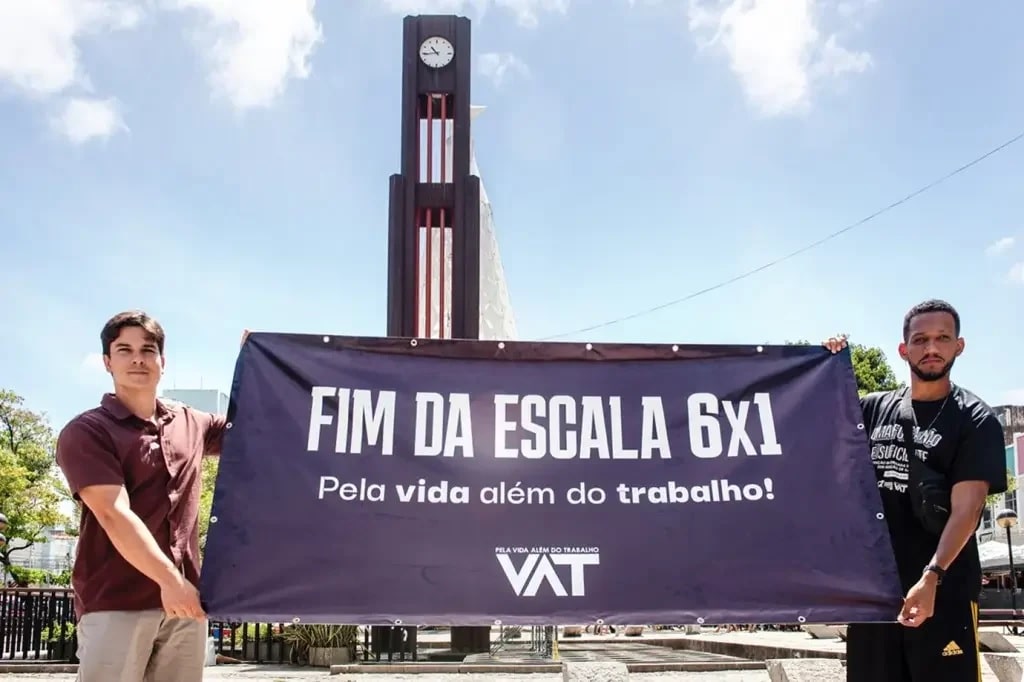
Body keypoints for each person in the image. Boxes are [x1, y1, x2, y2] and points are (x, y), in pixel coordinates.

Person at [823, 299, 1007, 682]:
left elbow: (968, 510)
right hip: (876, 596)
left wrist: (932, 577)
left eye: (943, 338)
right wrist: (825, 364)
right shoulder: (872, 409)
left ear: (959, 346)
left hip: (944, 591)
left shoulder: (975, 419)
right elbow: (815, 431)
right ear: (903, 349)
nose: (931, 348)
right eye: (920, 339)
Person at [55, 311, 241, 682]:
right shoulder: (87, 431)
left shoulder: (192, 422)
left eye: (147, 350)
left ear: (162, 361)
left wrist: (257, 363)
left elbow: (256, 426)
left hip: (186, 606)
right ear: (107, 362)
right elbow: (113, 514)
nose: (137, 359)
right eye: (124, 350)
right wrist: (170, 582)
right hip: (116, 601)